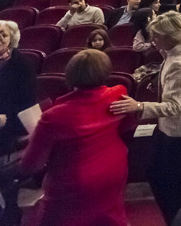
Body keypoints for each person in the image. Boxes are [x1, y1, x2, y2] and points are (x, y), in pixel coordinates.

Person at [110, 12, 181, 224]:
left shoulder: (178, 62)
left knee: (163, 180)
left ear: (170, 37)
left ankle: (179, 219)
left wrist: (138, 106)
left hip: (179, 128)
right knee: (177, 178)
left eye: (156, 37)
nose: (152, 41)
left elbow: (173, 106)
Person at [17, 50, 129, 226]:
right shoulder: (118, 93)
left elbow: (31, 165)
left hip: (74, 182)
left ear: (69, 75)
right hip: (115, 168)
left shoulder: (54, 116)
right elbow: (128, 124)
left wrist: (34, 141)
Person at [0, 20, 37, 160]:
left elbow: (26, 103)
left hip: (11, 123)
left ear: (11, 39)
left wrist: (0, 120)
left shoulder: (22, 65)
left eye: (3, 35)